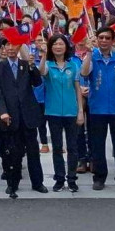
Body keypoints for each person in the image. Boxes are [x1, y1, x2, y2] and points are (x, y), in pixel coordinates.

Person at [0, 40, 47, 198]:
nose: (10, 48)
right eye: (6, 46)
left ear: (19, 47)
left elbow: (37, 82)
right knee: (13, 153)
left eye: (13, 45)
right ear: (2, 49)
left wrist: (32, 66)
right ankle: (12, 183)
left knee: (33, 151)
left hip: (28, 115)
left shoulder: (25, 64)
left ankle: (38, 183)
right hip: (10, 116)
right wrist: (2, 112)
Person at [80, 26, 115, 191]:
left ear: (113, 40)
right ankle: (99, 177)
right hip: (97, 109)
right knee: (97, 146)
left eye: (107, 38)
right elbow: (84, 73)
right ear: (97, 39)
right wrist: (88, 53)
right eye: (101, 37)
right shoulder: (92, 57)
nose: (104, 41)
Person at [38, 34, 83, 192]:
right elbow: (41, 72)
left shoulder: (73, 66)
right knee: (57, 147)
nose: (58, 47)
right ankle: (59, 178)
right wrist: (43, 55)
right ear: (51, 47)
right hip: (53, 112)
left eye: (61, 44)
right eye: (55, 44)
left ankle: (72, 179)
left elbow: (78, 89)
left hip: (71, 112)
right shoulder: (48, 65)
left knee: (72, 147)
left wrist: (80, 111)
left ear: (66, 46)